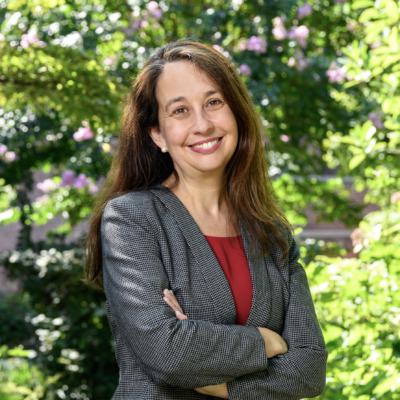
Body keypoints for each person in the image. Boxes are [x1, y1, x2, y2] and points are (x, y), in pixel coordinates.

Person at [84, 39, 328, 400]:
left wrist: (224, 386)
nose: (202, 124)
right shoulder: (131, 220)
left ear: (236, 114)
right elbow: (167, 351)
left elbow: (310, 369)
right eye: (180, 111)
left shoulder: (272, 234)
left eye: (214, 103)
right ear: (157, 134)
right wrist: (266, 341)